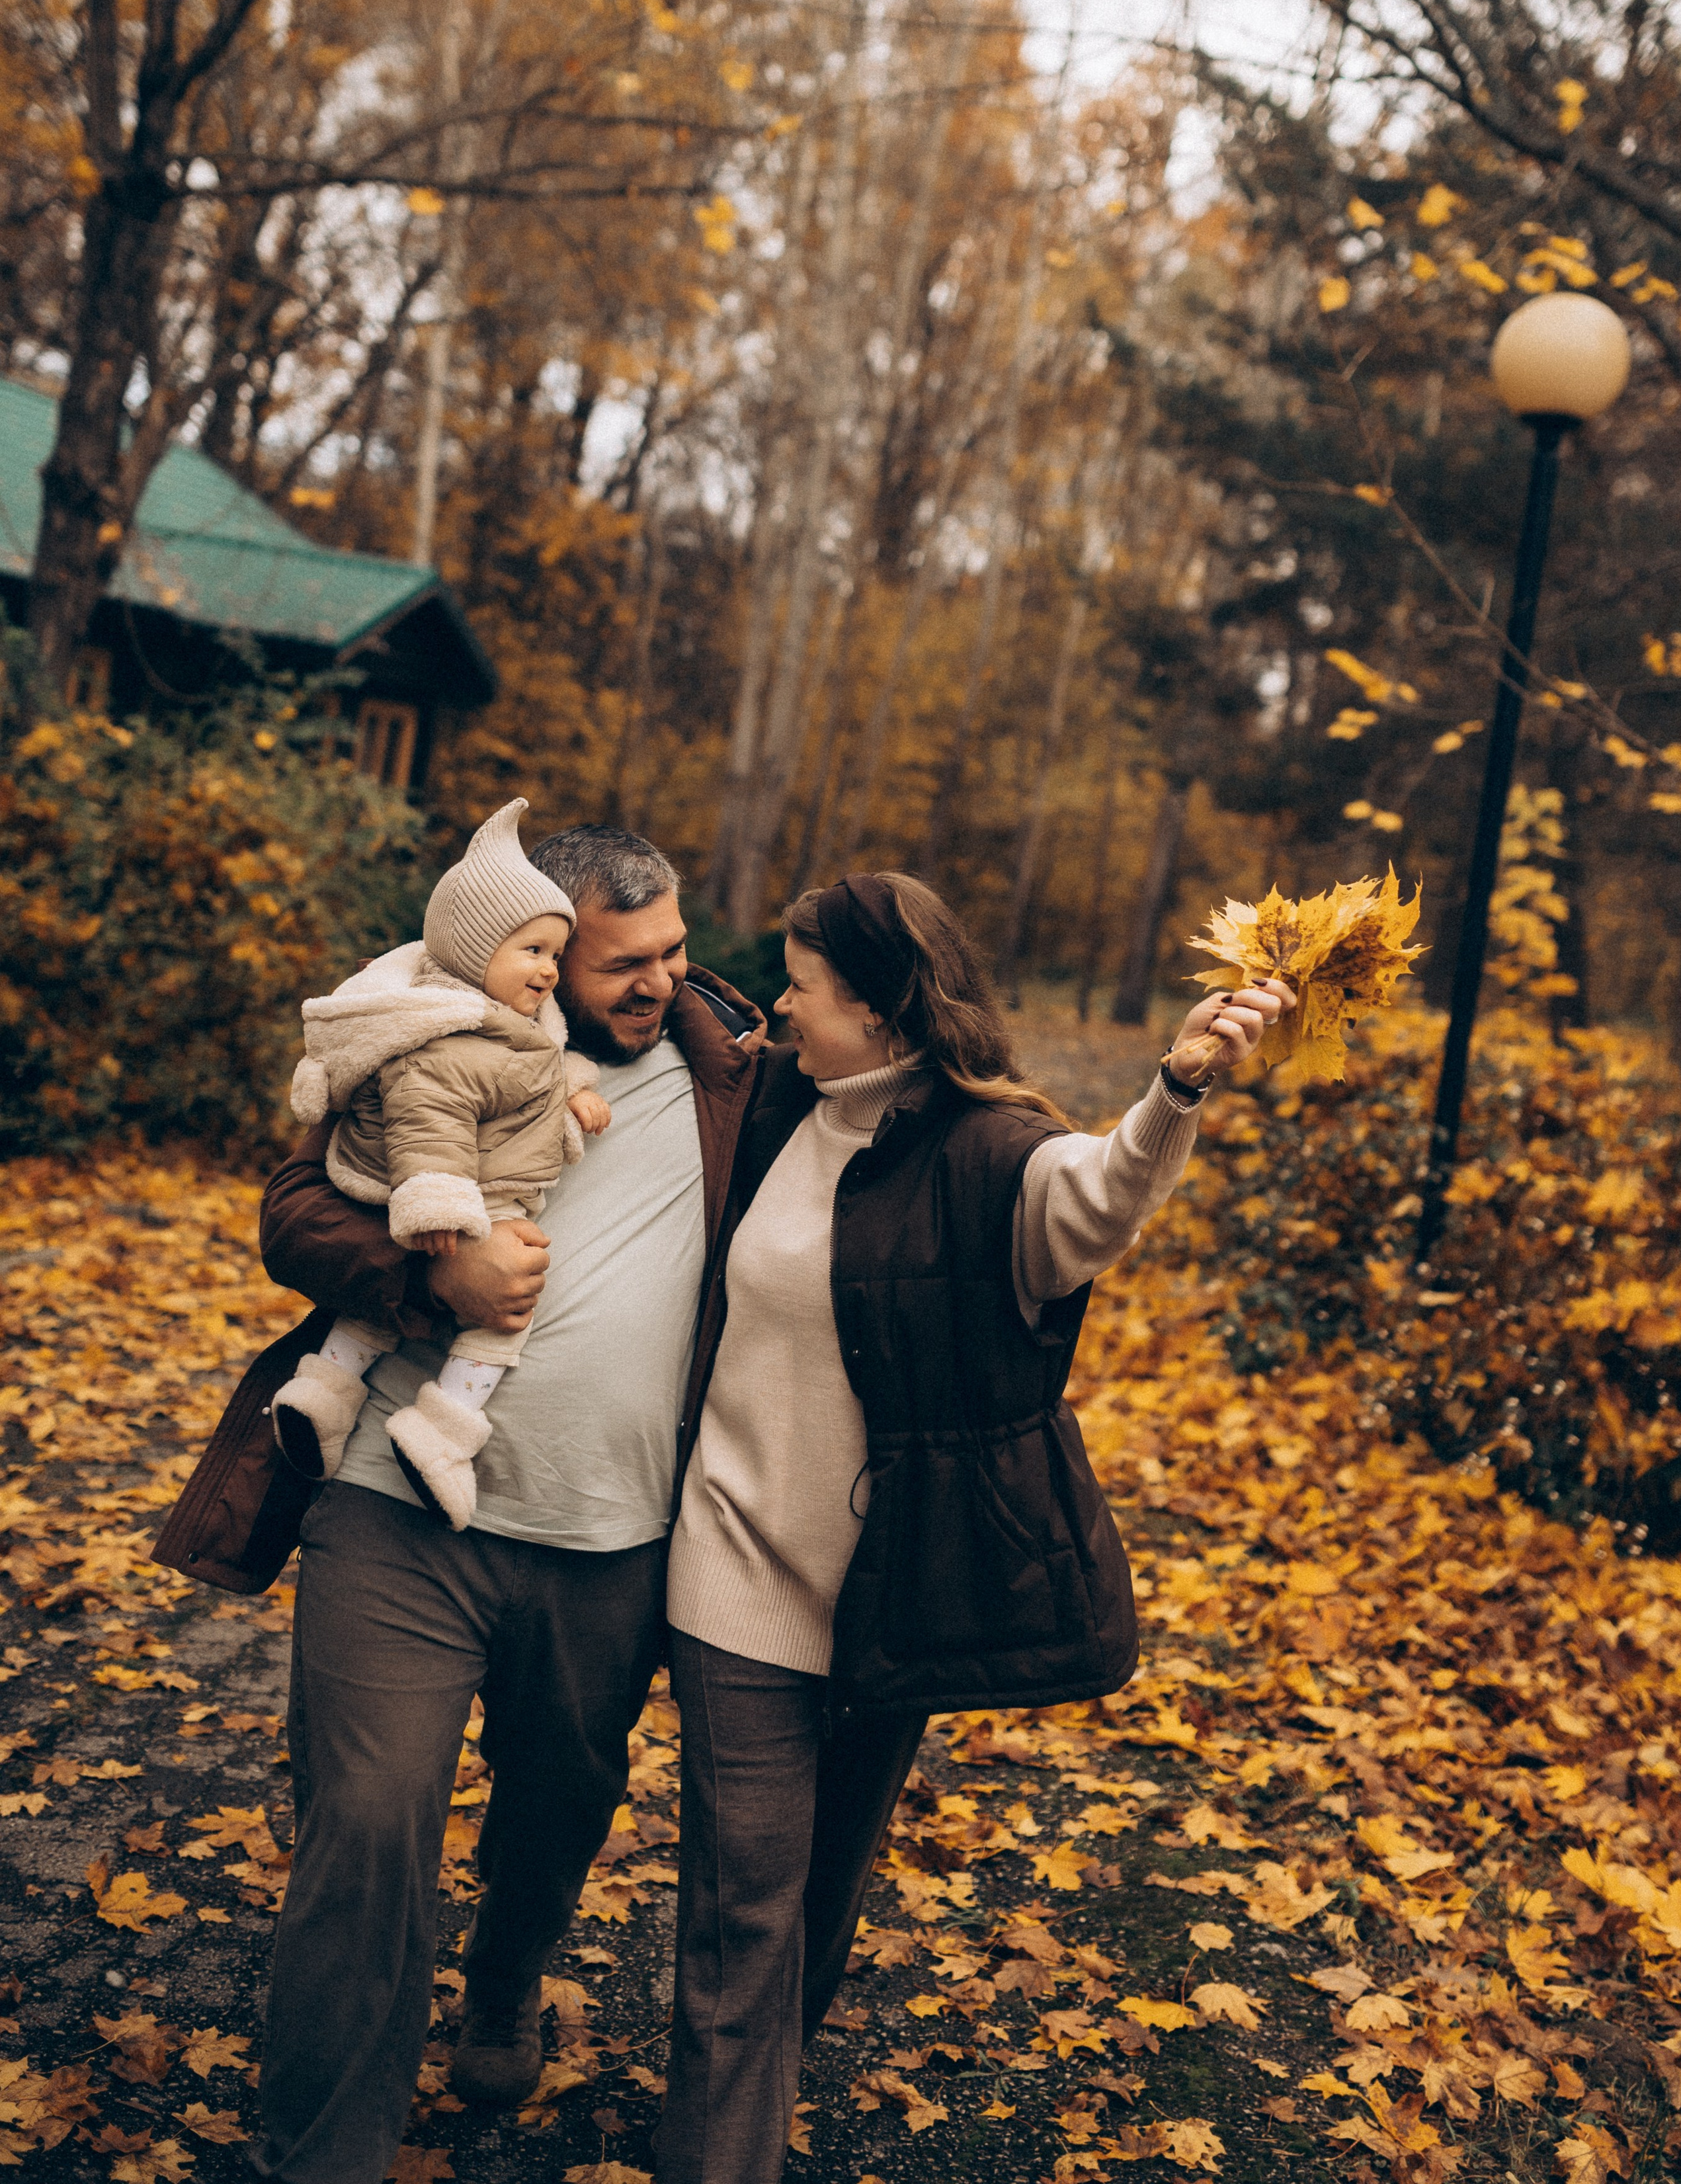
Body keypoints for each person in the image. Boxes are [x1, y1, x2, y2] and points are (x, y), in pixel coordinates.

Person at [158, 825, 777, 2184]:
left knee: (559, 1809)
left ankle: (505, 1969)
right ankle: (323, 2151)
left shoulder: (728, 1065)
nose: (659, 983)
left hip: (610, 1538)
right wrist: (425, 1280)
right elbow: (288, 1207)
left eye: (675, 952)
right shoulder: (431, 1027)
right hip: (396, 1509)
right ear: (535, 957)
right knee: (368, 1823)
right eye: (624, 963)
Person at [653, 870, 1292, 2184]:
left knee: (813, 1911)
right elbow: (640, 1008)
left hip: (892, 1593)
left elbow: (1091, 1199)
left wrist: (1174, 1089)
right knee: (739, 1910)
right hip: (729, 1570)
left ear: (887, 1008)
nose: (780, 1004)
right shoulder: (770, 1102)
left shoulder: (986, 1150)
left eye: (805, 986)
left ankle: (765, 2060)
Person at [270, 797, 610, 1528]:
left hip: (451, 1188)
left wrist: (575, 1090)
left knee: (369, 1320)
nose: (550, 970)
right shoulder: (445, 1035)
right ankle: (443, 1430)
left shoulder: (497, 1018)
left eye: (557, 953)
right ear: (472, 948)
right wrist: (438, 1207)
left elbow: (535, 1062)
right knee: (505, 1315)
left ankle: (321, 1393)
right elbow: (433, 1112)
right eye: (533, 951)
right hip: (455, 1198)